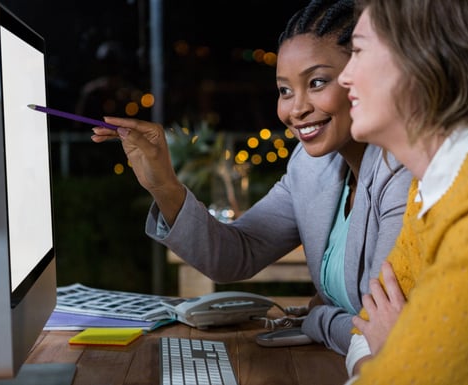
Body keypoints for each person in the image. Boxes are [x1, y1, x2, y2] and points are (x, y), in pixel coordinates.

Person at [91, 0, 412, 356]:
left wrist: (317, 317)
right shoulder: (310, 167)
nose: (296, 109)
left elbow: (381, 335)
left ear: (362, 76)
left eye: (317, 82)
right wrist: (164, 186)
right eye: (285, 90)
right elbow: (235, 255)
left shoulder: (402, 174)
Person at [337, 0, 468, 383]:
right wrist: (385, 356)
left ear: (421, 56)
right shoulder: (431, 187)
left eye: (359, 51)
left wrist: (393, 352)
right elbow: (367, 323)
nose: (344, 77)